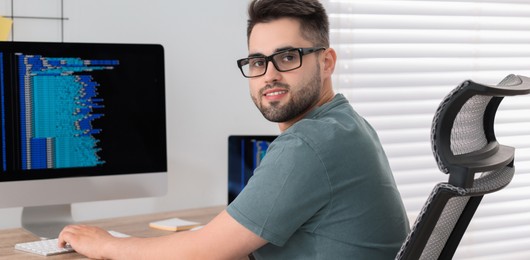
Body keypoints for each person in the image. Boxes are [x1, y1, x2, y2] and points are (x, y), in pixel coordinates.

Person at [58, 0, 410, 259]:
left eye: (288, 57)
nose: (269, 74)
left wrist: (105, 244)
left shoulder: (310, 142)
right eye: (258, 61)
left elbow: (204, 252)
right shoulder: (346, 124)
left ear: (327, 61)